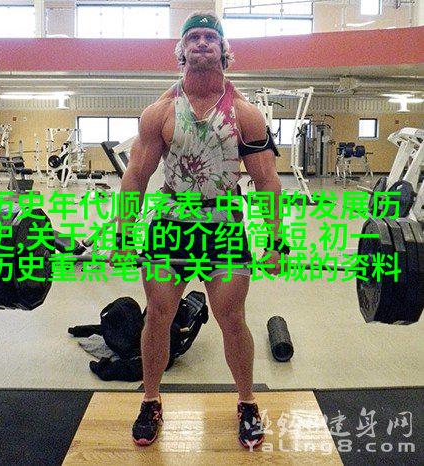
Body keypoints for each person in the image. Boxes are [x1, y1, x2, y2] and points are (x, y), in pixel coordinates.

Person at [112, 11, 283, 449]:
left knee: (232, 318)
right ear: (182, 50)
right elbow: (135, 176)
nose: (202, 42)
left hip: (223, 226)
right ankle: (150, 400)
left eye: (210, 37)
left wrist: (276, 240)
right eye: (194, 37)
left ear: (224, 50)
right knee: (158, 315)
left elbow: (267, 181)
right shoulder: (160, 112)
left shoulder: (246, 114)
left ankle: (246, 402)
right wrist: (123, 234)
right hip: (171, 226)